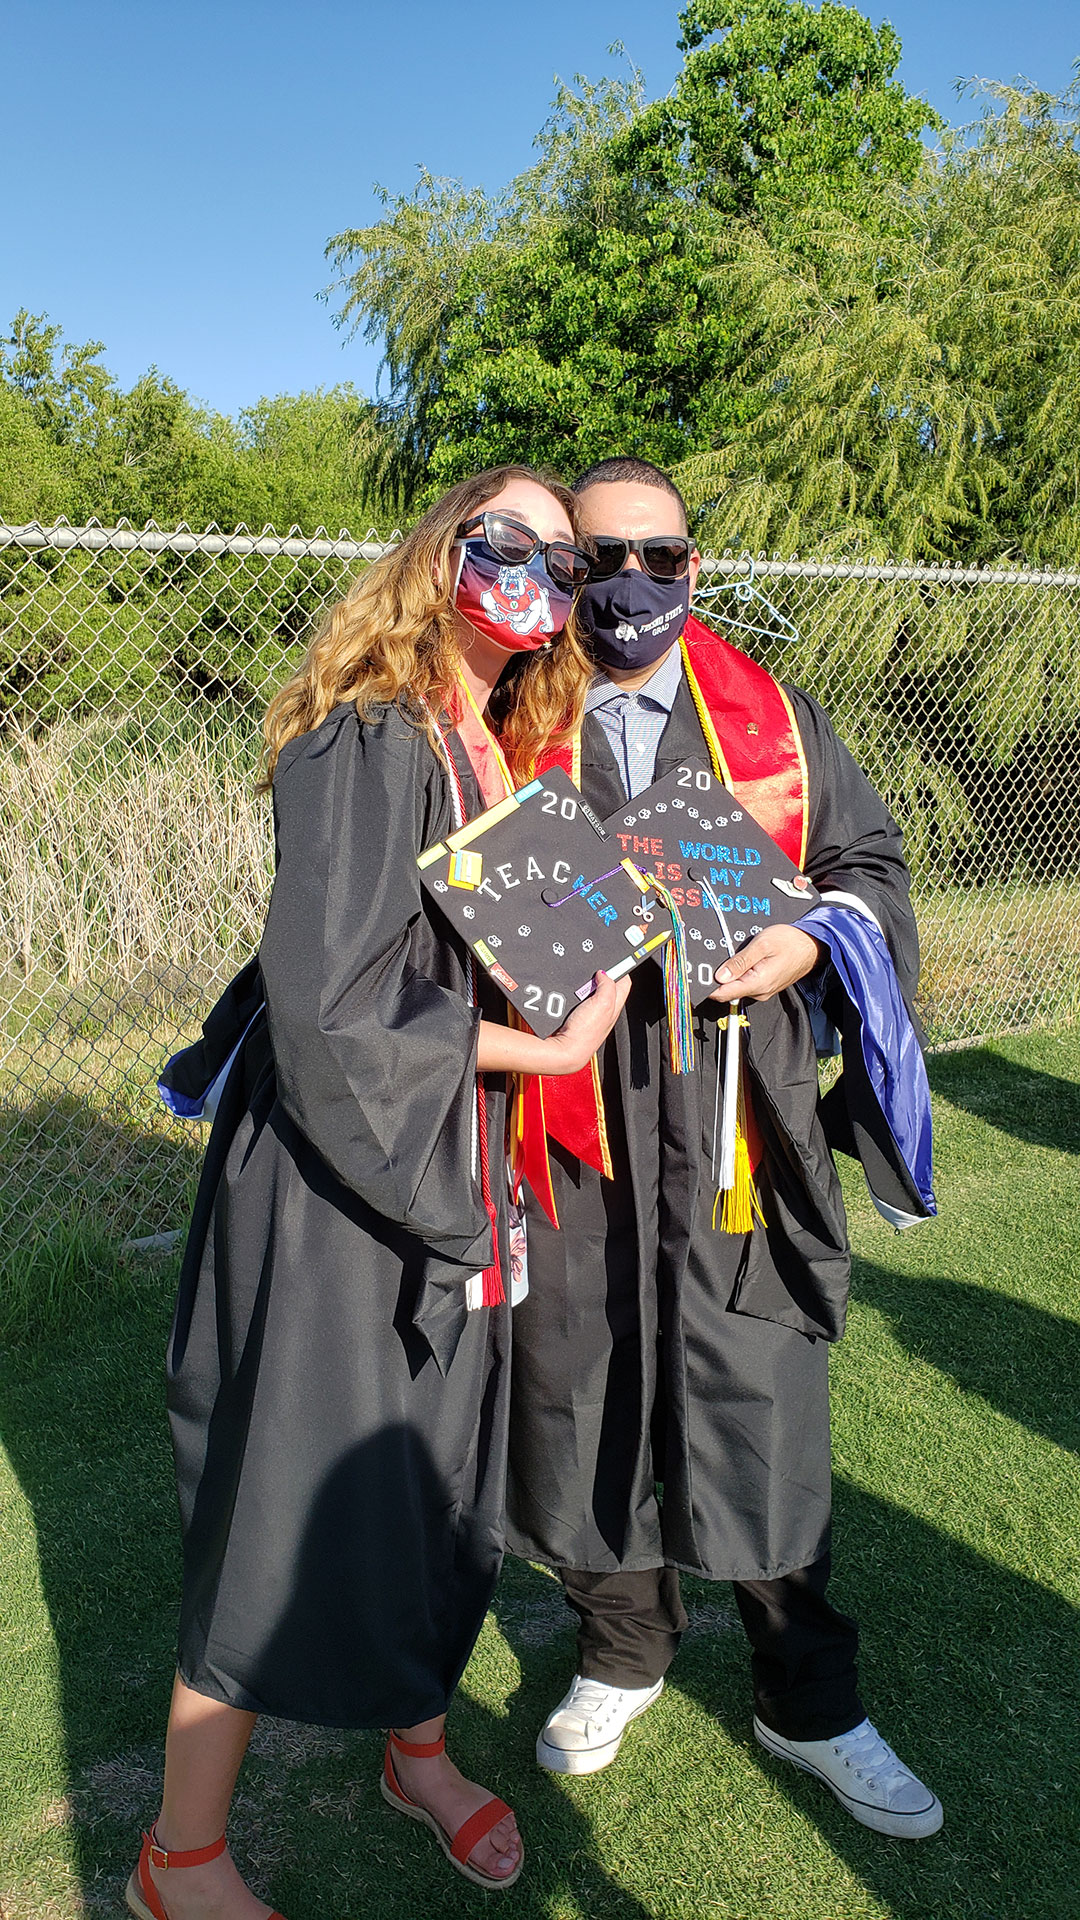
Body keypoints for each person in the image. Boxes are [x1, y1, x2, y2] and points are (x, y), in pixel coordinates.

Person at [129, 466, 630, 1920]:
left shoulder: (501, 743)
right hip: (341, 1173)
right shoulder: (367, 737)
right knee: (284, 1491)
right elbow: (331, 1009)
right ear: (441, 549)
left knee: (435, 1474)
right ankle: (179, 1857)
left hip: (458, 1147)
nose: (537, 572)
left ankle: (418, 1754)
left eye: (563, 559)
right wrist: (547, 1045)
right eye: (507, 539)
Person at [505, 456, 944, 1841]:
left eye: (662, 556)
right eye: (599, 559)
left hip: (735, 1106)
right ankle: (623, 1648)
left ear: (694, 566)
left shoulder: (775, 721)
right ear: (565, 572)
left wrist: (810, 939)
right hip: (571, 1111)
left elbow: (870, 870)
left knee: (759, 1386)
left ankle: (807, 1699)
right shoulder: (508, 714)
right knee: (576, 1380)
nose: (632, 583)